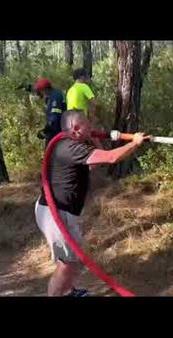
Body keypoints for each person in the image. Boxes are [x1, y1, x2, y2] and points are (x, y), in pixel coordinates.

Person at [35, 110, 148, 296]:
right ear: (76, 128)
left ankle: (68, 291)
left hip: (60, 211)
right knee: (67, 264)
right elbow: (111, 157)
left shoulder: (73, 143)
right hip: (55, 213)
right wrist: (135, 143)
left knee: (70, 257)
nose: (92, 128)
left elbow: (94, 164)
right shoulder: (69, 148)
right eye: (88, 125)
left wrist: (92, 138)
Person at [34, 77, 67, 146]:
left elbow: (54, 118)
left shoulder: (54, 98)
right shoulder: (54, 95)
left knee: (50, 154)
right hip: (57, 131)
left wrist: (45, 131)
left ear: (44, 90)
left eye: (39, 92)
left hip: (56, 133)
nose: (40, 95)